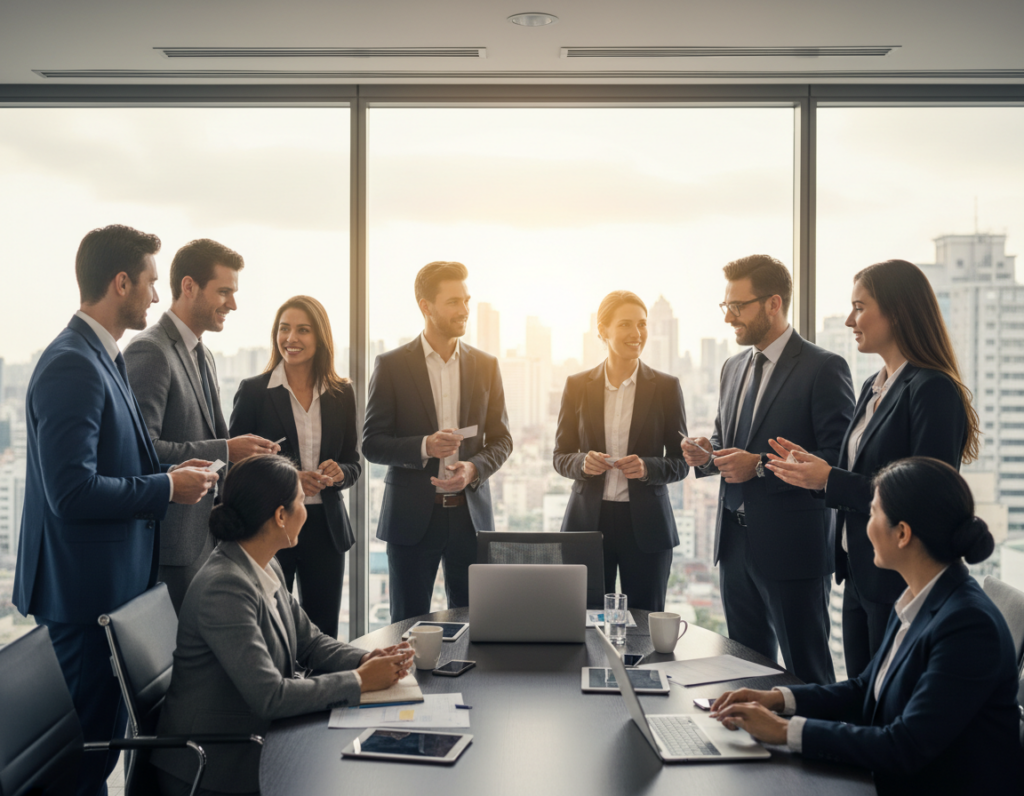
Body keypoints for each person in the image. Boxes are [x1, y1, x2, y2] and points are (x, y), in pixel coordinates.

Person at [13, 225, 219, 796]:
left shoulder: (103, 356)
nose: (156, 295)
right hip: (84, 597)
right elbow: (71, 492)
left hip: (108, 591)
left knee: (100, 751)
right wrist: (164, 489)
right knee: (81, 764)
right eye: (151, 282)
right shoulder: (72, 364)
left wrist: (172, 472)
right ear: (121, 282)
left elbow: (124, 455)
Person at [711, 457, 1023, 796]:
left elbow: (904, 746)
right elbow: (866, 689)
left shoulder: (967, 627)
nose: (863, 526)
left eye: (872, 513)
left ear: (902, 533)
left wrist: (785, 731)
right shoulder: (918, 597)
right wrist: (777, 699)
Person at [766, 259, 979, 677]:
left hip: (900, 581)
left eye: (859, 308)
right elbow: (861, 470)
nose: (850, 320)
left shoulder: (933, 389)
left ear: (897, 312)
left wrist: (830, 479)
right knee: (863, 696)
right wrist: (814, 470)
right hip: (861, 573)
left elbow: (924, 499)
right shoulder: (873, 385)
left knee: (888, 701)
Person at [152, 455, 413, 796]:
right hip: (216, 766)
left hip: (257, 739)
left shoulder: (263, 562)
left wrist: (363, 659)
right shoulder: (225, 587)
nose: (306, 511)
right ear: (280, 516)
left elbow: (310, 641)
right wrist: (361, 680)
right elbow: (271, 697)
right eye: (302, 502)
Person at [681, 255, 854, 685]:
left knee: (806, 674)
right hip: (734, 545)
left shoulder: (824, 367)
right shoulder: (732, 367)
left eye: (737, 306)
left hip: (793, 549)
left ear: (773, 303)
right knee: (744, 673)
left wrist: (758, 466)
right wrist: (707, 453)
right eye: (726, 306)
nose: (729, 318)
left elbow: (836, 459)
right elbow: (726, 439)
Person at [125, 238, 280, 613]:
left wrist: (244, 457)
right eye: (224, 291)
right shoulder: (151, 351)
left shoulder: (204, 353)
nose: (233, 304)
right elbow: (142, 450)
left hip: (207, 539)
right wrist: (227, 449)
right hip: (171, 547)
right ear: (189, 286)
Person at [363, 261, 513, 622]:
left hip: (470, 519)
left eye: (466, 300)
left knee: (476, 624)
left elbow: (502, 439)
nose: (464, 310)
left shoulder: (486, 365)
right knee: (407, 627)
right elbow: (372, 443)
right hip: (411, 521)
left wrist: (473, 468)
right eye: (453, 302)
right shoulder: (391, 365)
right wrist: (424, 446)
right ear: (425, 306)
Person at [230, 295, 360, 638]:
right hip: (271, 525)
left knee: (324, 630)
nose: (291, 338)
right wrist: (290, 478)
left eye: (303, 330)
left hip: (326, 529)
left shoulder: (341, 393)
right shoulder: (254, 392)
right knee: (272, 629)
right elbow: (236, 467)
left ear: (320, 337)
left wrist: (341, 473)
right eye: (284, 328)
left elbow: (354, 461)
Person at [552, 291, 688, 611]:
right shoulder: (577, 385)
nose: (636, 333)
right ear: (603, 330)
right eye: (626, 324)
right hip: (587, 522)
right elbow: (560, 456)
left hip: (647, 526)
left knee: (644, 622)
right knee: (585, 620)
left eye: (642, 324)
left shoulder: (666, 387)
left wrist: (647, 467)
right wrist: (583, 462)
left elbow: (681, 462)